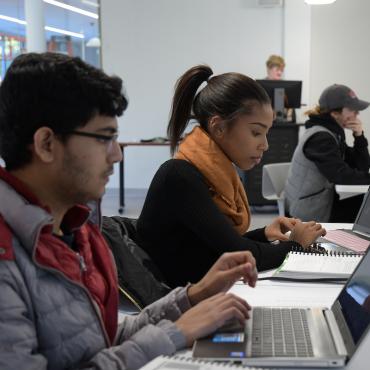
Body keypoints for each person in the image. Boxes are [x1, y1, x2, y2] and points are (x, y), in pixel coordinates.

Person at [0, 53, 259, 370]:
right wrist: (174, 334)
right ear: (46, 144)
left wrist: (192, 298)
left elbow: (99, 339)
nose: (116, 156)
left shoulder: (74, 231)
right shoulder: (8, 260)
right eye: (104, 138)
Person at [136, 65, 325, 288]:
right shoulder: (180, 176)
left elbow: (218, 243)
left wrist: (265, 234)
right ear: (218, 127)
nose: (264, 145)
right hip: (173, 304)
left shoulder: (215, 171)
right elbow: (240, 255)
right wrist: (295, 245)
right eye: (256, 132)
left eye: (266, 133)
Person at [285, 84, 370, 222]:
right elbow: (341, 175)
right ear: (335, 113)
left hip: (319, 201)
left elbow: (361, 167)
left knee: (363, 202)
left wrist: (359, 136)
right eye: (352, 109)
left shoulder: (331, 133)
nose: (357, 114)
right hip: (307, 211)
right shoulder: (321, 138)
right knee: (364, 208)